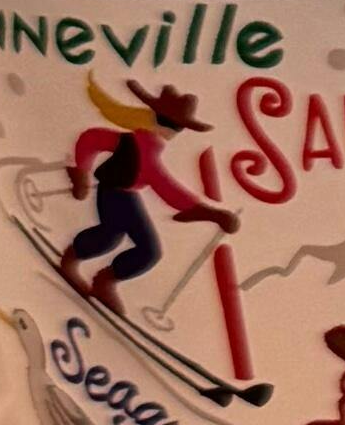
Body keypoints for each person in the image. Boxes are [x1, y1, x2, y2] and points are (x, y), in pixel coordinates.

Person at [59, 76, 234, 313]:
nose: (175, 132)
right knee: (113, 236)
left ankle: (105, 280)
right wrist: (81, 172)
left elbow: (92, 139)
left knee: (146, 249)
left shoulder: (144, 147)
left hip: (128, 196)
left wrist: (82, 170)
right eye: (176, 127)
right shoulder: (140, 148)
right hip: (113, 193)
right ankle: (75, 262)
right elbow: (166, 188)